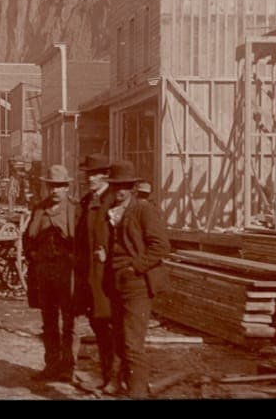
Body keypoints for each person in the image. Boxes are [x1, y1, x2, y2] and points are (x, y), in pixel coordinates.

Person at [101, 160, 170, 398]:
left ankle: (138, 392)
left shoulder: (143, 210)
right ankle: (117, 382)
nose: (119, 191)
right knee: (118, 336)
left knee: (133, 343)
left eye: (125, 186)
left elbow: (161, 246)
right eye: (115, 186)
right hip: (116, 281)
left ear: (132, 188)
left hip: (137, 283)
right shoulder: (112, 211)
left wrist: (135, 267)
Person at [21, 164, 80, 383]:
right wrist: (33, 255)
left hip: (67, 272)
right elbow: (28, 237)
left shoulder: (75, 210)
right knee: (49, 321)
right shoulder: (39, 209)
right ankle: (51, 365)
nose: (55, 191)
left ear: (66, 187)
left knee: (69, 321)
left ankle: (68, 367)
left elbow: (82, 242)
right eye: (52, 187)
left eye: (60, 186)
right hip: (45, 271)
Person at [73, 154, 115, 392]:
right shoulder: (88, 200)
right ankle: (108, 375)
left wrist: (108, 255)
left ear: (105, 175)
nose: (90, 178)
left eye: (94, 174)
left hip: (108, 275)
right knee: (98, 323)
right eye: (88, 174)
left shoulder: (112, 200)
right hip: (90, 274)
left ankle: (115, 377)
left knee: (110, 325)